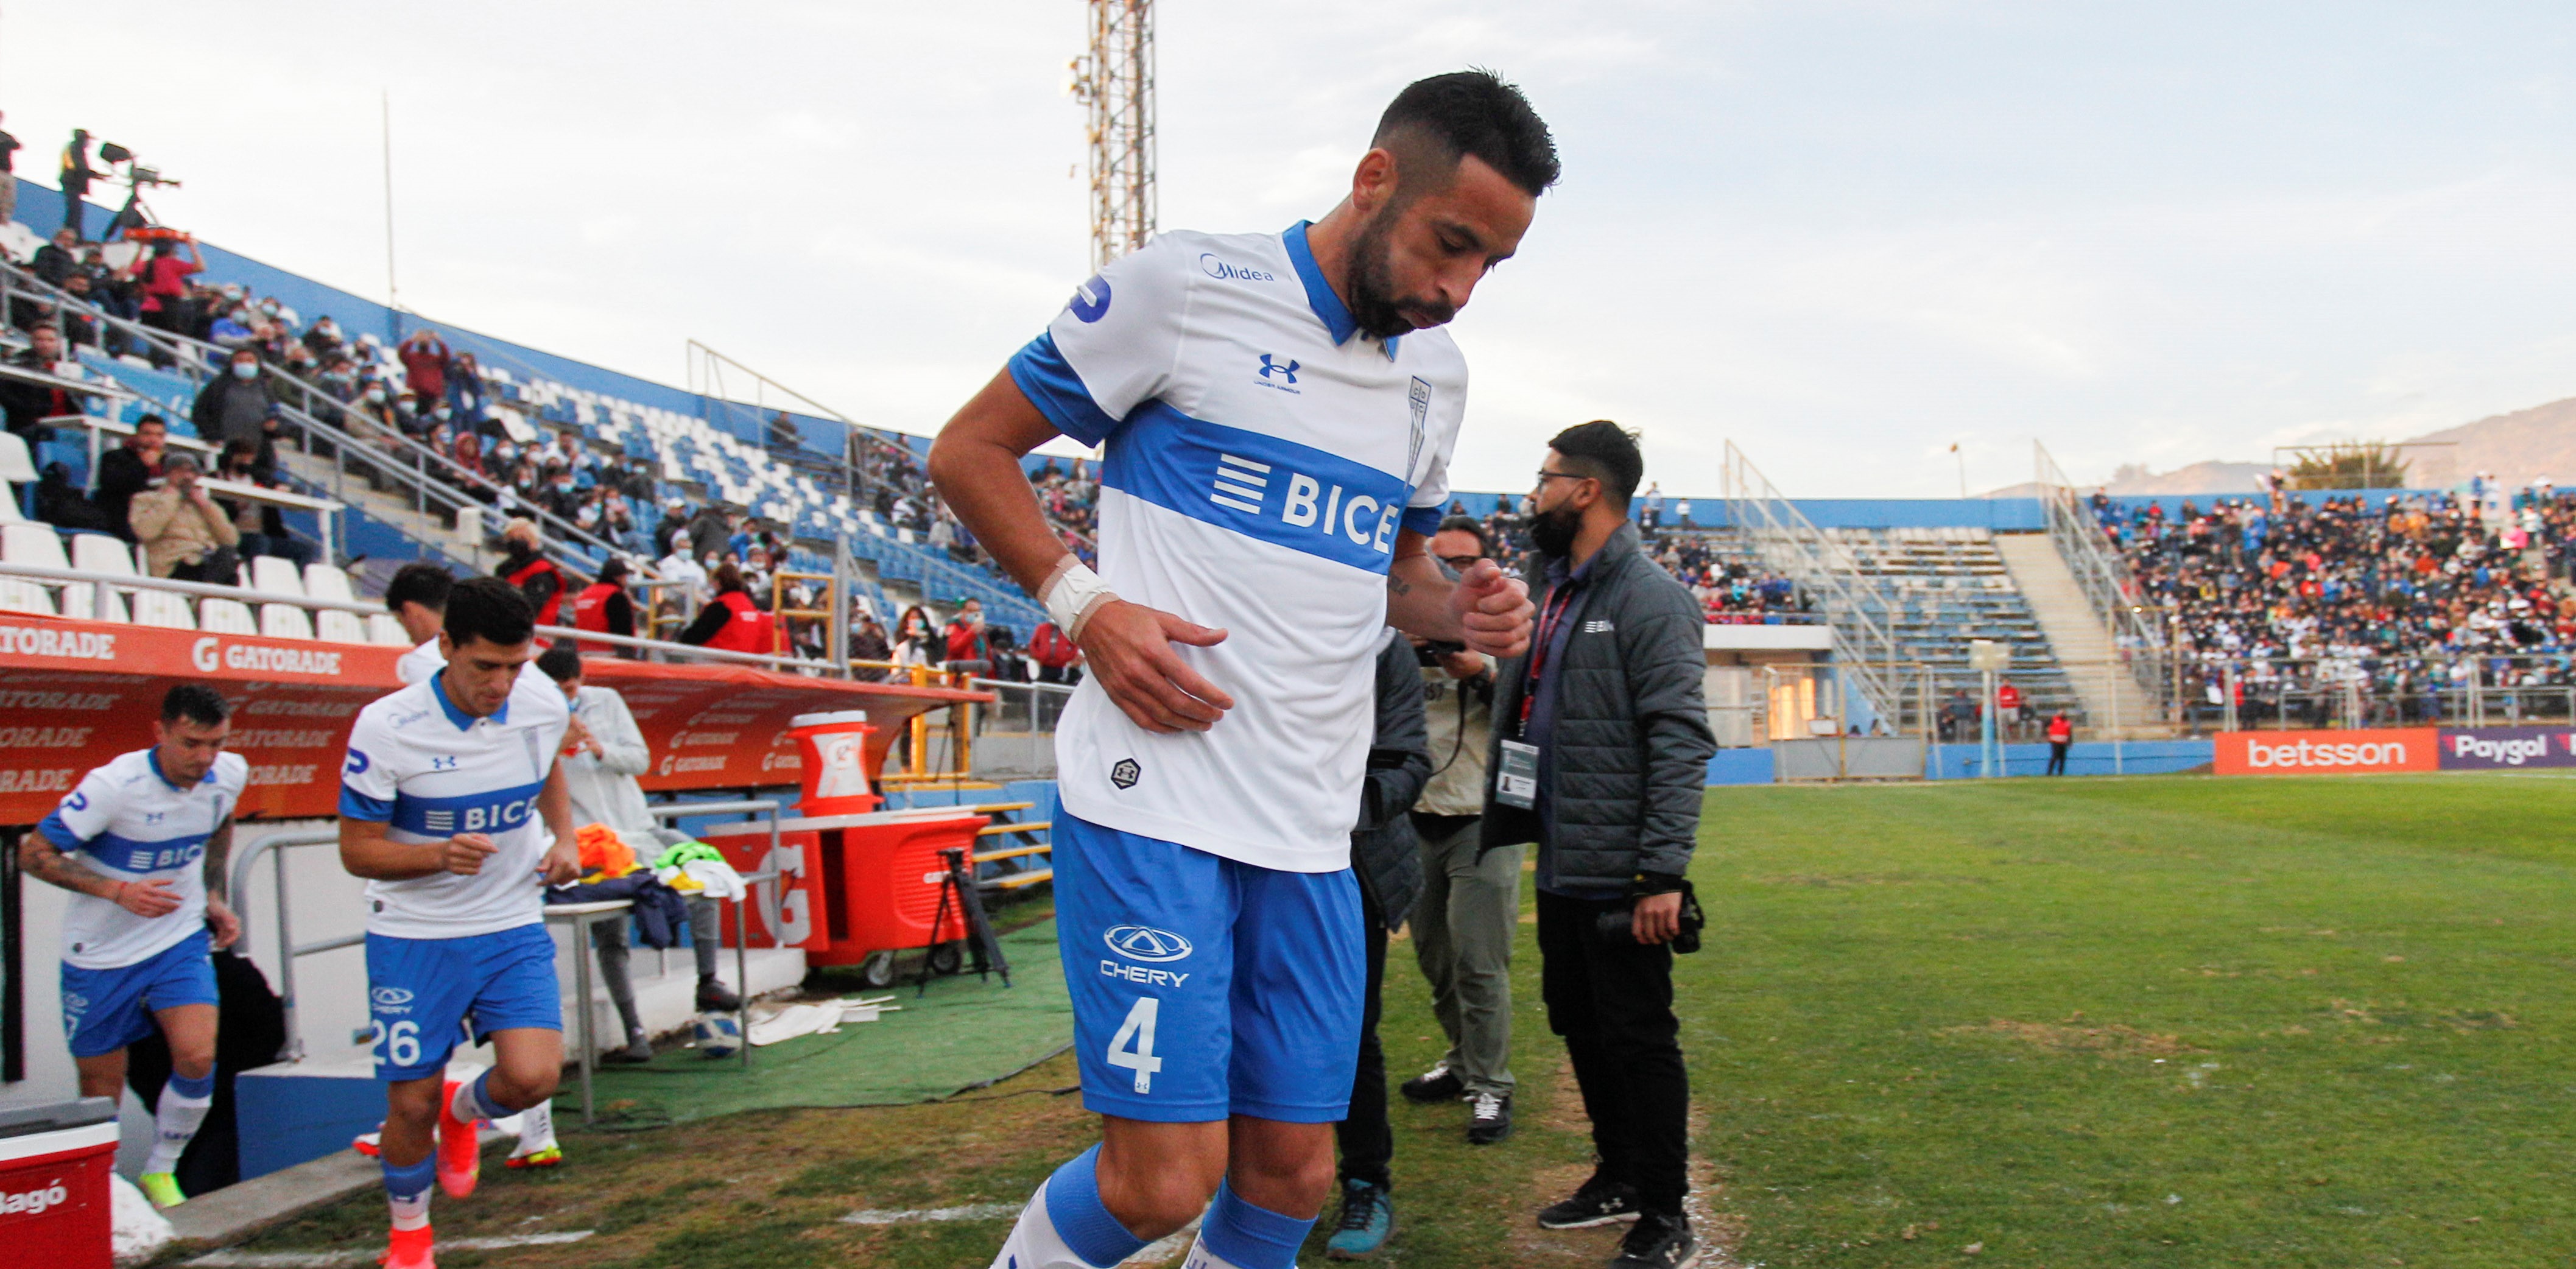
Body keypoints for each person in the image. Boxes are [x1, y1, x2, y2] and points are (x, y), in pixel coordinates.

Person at [932, 69, 1552, 1269]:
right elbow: (970, 449)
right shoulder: (1185, 289)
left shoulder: (1435, 377)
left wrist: (1465, 605)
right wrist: (1087, 605)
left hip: (1311, 832)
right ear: (1376, 180)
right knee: (1161, 1180)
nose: (1459, 289)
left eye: (1491, 267)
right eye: (1451, 244)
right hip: (1155, 801)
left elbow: (1397, 575)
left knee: (1291, 1178)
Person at [1487, 422, 1714, 1269]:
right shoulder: (1553, 585)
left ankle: (1664, 1212)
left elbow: (1680, 739)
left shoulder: (1648, 597)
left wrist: (1662, 873)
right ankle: (1617, 1175)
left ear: (1585, 490)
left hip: (1623, 872)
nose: (1533, 493)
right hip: (1562, 857)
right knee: (1578, 1023)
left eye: (1545, 479)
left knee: (1638, 1037)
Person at [336, 578, 579, 1269]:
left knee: (533, 1077)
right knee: (406, 1108)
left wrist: (564, 836)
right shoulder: (387, 727)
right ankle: (409, 1236)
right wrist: (434, 855)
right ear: (445, 647)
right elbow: (357, 851)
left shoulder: (535, 698)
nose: (502, 683)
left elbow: (547, 765)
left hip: (509, 919)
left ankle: (462, 1109)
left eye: (515, 665)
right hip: (413, 934)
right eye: (484, 667)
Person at [17, 685, 246, 1211]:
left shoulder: (228, 774)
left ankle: (161, 1170)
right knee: (101, 1086)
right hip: (99, 952)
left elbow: (220, 822)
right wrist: (117, 891)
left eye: (216, 744)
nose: (205, 759)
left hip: (177, 936)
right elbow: (34, 854)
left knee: (197, 1054)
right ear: (161, 732)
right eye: (191, 744)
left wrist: (212, 895)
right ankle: (101, 1189)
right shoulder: (114, 786)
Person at [533, 644, 741, 1066]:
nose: (564, 697)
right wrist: (557, 748)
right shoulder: (533, 719)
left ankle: (708, 980)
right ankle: (636, 1035)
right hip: (591, 842)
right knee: (610, 934)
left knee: (704, 873)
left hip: (638, 829)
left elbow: (641, 759)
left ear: (581, 682)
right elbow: (530, 778)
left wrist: (598, 748)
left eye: (570, 689)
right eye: (556, 690)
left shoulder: (606, 703)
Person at [1399, 516, 1519, 1145]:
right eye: (1437, 561)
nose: (1449, 571)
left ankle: (1491, 1086)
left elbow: (1528, 720)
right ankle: (1462, 1057)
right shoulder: (1397, 626)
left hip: (1480, 818)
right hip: (1413, 818)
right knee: (1436, 959)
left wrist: (1477, 669)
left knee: (1479, 961)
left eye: (1463, 560)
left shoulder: (1503, 628)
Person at [1322, 630, 1429, 1259]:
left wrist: (1337, 806)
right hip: (1250, 856)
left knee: (1350, 1034)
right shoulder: (1249, 617)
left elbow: (1407, 760)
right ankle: (1255, 1180)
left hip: (1349, 863)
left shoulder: (1382, 644)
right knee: (1245, 1025)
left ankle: (1366, 1181)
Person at [130, 453, 241, 585]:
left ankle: (206, 594)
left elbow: (231, 540)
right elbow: (145, 532)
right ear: (168, 473)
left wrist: (207, 507)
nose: (187, 476)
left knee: (228, 557)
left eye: (193, 472)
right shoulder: (146, 499)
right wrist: (170, 499)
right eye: (181, 471)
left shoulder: (202, 504)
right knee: (225, 576)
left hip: (206, 562)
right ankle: (207, 595)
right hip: (174, 565)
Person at [215, 438, 315, 568]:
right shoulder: (217, 478)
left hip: (263, 534)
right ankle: (256, 581)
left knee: (305, 550)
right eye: (243, 456)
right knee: (260, 542)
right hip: (234, 534)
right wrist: (236, 507)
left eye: (250, 458)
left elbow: (299, 491)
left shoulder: (260, 480)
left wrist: (288, 490)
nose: (247, 461)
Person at [675, 563, 777, 655]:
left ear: (718, 582)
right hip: (745, 664)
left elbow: (693, 636)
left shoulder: (721, 606)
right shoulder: (750, 605)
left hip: (716, 662)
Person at [0, 323, 74, 445]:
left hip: (68, 425)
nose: (45, 345)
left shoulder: (71, 368)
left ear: (59, 343)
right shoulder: (17, 366)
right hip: (32, 427)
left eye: (50, 340)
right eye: (39, 340)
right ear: (31, 341)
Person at [385, 562, 457, 684]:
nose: (410, 638)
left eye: (402, 623)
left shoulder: (424, 659)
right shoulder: (482, 642)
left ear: (410, 611)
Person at [495, 519, 565, 627]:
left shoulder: (542, 571)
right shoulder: (504, 569)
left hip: (534, 634)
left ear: (534, 542)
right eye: (510, 538)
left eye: (522, 538)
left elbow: (531, 608)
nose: (515, 542)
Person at [569, 556, 638, 655]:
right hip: (609, 656)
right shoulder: (617, 597)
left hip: (582, 654)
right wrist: (629, 656)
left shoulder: (584, 594)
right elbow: (623, 631)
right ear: (620, 577)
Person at [397, 329, 451, 404]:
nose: (425, 341)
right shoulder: (412, 358)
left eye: (427, 340)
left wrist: (438, 341)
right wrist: (413, 340)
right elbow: (402, 354)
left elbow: (446, 357)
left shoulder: (436, 360)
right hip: (416, 396)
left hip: (433, 397)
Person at [58, 128, 95, 238]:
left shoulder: (78, 150)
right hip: (71, 184)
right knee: (74, 212)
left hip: (75, 186)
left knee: (76, 212)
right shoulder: (73, 148)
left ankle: (74, 237)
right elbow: (76, 166)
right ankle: (71, 237)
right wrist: (92, 174)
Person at [943, 597, 991, 672]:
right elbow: (953, 649)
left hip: (980, 676)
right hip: (963, 675)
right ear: (962, 611)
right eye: (970, 611)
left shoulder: (982, 633)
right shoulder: (955, 626)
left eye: (977, 611)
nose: (973, 614)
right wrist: (972, 633)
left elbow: (987, 656)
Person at [2046, 710, 2073, 776]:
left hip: (2064, 742)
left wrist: (2070, 742)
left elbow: (2069, 733)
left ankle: (2060, 773)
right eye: (2061, 713)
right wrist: (2047, 732)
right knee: (2055, 757)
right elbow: (2045, 725)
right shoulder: (2053, 720)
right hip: (2055, 741)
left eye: (2063, 714)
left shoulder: (2068, 722)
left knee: (2062, 758)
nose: (2062, 715)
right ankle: (2049, 773)